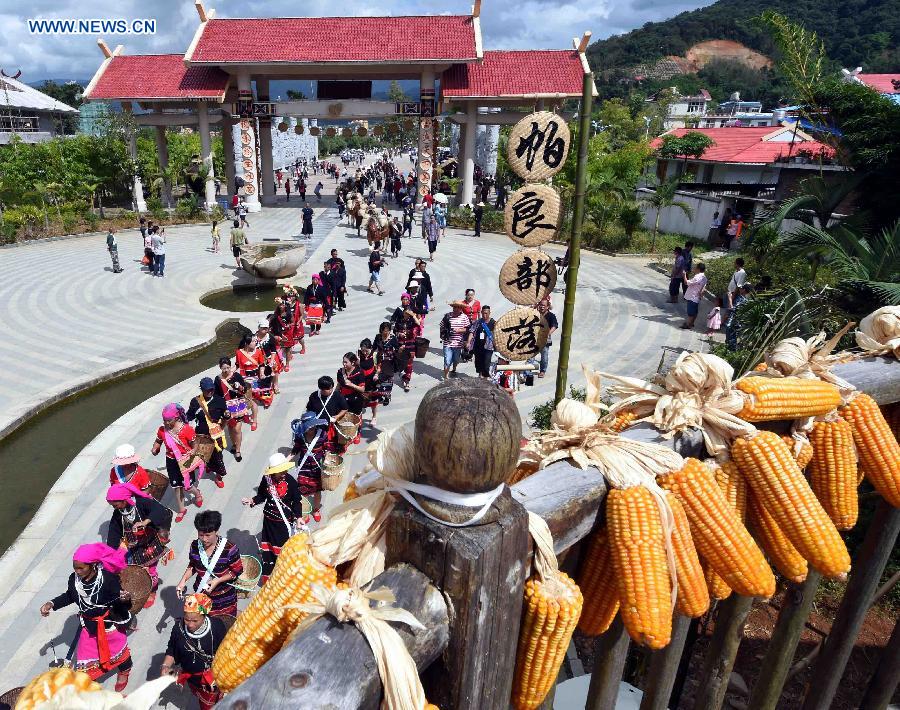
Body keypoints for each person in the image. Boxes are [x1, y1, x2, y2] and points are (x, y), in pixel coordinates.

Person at [40, 544, 133, 690]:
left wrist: (124, 599)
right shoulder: (74, 579)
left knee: (119, 652)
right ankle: (89, 681)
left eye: (80, 568)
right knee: (84, 658)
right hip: (89, 627)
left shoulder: (108, 579)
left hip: (108, 625)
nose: (77, 571)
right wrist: (51, 603)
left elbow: (120, 602)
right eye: (75, 567)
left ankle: (125, 670)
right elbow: (70, 595)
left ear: (93, 565)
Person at [242, 453, 307, 583]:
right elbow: (261, 495)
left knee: (283, 550)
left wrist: (299, 517)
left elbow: (297, 501)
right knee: (269, 549)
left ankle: (284, 573)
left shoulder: (290, 481)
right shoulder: (266, 480)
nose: (283, 473)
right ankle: (270, 575)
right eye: (280, 471)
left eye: (284, 470)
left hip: (283, 524)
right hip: (269, 522)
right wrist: (252, 501)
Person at [105, 482, 172, 608]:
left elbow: (159, 510)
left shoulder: (141, 502)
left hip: (150, 543)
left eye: (115, 504)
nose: (115, 508)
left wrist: (145, 522)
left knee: (150, 570)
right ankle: (144, 585)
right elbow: (113, 533)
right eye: (112, 506)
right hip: (135, 547)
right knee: (137, 570)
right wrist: (109, 554)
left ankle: (152, 590)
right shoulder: (118, 513)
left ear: (124, 500)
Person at [160, 593, 227, 710]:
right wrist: (166, 665)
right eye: (187, 619)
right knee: (196, 693)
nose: (190, 624)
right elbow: (172, 649)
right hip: (190, 676)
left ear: (204, 616)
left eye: (195, 620)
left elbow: (226, 651)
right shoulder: (178, 629)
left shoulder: (216, 627)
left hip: (211, 679)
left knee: (209, 705)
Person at [174, 511, 242, 618]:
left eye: (208, 535)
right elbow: (193, 565)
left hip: (224, 595)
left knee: (225, 620)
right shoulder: (195, 545)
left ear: (216, 531)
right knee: (205, 617)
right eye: (201, 535)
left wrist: (218, 580)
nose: (204, 539)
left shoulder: (230, 548)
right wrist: (183, 581)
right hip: (202, 592)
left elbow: (237, 571)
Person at [151, 403, 202, 523]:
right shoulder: (162, 430)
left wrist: (193, 451)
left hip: (185, 460)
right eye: (164, 420)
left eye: (169, 420)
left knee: (187, 486)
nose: (166, 423)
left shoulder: (187, 430)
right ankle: (181, 509)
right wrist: (155, 449)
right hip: (171, 461)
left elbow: (195, 444)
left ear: (177, 418)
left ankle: (197, 493)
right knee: (176, 486)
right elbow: (158, 441)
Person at [185, 377, 230, 489]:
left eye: (211, 389)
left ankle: (219, 476)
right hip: (201, 435)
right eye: (207, 390)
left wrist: (227, 416)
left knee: (218, 456)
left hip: (216, 435)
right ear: (202, 389)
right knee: (204, 455)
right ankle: (209, 465)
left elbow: (225, 414)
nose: (210, 392)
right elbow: (189, 416)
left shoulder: (220, 400)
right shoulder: (195, 401)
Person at [214, 356, 255, 459]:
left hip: (239, 406)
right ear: (220, 368)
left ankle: (238, 450)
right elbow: (217, 395)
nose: (226, 370)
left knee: (237, 429)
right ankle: (234, 444)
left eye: (228, 367)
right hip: (227, 408)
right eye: (224, 368)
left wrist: (240, 386)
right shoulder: (218, 379)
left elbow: (245, 390)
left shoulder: (236, 376)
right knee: (231, 427)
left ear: (230, 366)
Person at [290, 411, 328, 522]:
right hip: (304, 468)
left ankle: (316, 509)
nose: (311, 429)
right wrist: (285, 460)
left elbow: (327, 448)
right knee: (303, 492)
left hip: (317, 468)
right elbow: (295, 450)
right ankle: (305, 511)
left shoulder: (322, 434)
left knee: (317, 491)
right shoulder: (300, 436)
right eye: (309, 427)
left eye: (313, 426)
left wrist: (328, 458)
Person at [306, 375, 350, 448]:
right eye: (328, 389)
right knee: (319, 445)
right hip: (318, 426)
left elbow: (345, 408)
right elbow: (309, 409)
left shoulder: (337, 395)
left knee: (334, 443)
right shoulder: (314, 396)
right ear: (321, 389)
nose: (331, 390)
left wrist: (337, 416)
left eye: (331, 388)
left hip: (332, 426)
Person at [372, 322, 399, 419]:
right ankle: (380, 394)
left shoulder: (393, 338)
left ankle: (387, 396)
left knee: (388, 380)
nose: (386, 332)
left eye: (387, 330)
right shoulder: (378, 337)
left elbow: (397, 348)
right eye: (384, 330)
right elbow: (374, 347)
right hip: (380, 362)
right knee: (378, 379)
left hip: (390, 362)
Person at [337, 352, 368, 434]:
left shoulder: (359, 372)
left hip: (356, 400)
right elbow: (339, 385)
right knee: (345, 417)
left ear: (353, 362)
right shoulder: (340, 372)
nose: (344, 364)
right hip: (343, 399)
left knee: (356, 417)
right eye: (343, 361)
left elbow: (362, 389)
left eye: (346, 362)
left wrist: (351, 385)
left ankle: (357, 432)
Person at [440, 301, 472, 380]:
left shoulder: (464, 317)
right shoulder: (447, 316)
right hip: (448, 342)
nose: (456, 309)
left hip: (458, 343)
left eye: (458, 307)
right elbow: (441, 326)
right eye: (454, 307)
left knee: (456, 359)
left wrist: (459, 330)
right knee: (447, 360)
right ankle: (446, 377)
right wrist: (443, 334)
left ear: (461, 308)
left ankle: (454, 369)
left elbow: (468, 329)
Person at [467, 305, 496, 378]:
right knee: (478, 362)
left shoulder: (494, 323)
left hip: (488, 347)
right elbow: (471, 331)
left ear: (489, 313)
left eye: (486, 313)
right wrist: (468, 342)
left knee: (486, 363)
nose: (484, 315)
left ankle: (485, 376)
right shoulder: (478, 322)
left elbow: (497, 334)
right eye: (483, 313)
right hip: (478, 346)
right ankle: (480, 375)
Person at [535, 299, 558, 379]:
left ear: (547, 307)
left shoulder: (551, 316)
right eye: (540, 305)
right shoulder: (535, 314)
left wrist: (547, 334)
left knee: (544, 356)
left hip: (545, 339)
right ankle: (527, 371)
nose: (541, 307)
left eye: (543, 305)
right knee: (530, 355)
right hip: (534, 338)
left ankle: (542, 371)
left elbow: (554, 326)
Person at [681, 263, 707, 330]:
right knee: (695, 311)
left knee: (690, 312)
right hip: (697, 297)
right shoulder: (704, 278)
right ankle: (691, 323)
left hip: (692, 296)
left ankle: (688, 325)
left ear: (698, 269)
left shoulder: (697, 277)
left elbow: (686, 282)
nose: (694, 269)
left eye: (695, 267)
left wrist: (684, 275)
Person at [725, 284, 752, 350]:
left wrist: (730, 298)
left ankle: (731, 349)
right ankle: (729, 348)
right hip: (736, 321)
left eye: (741, 288)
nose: (740, 289)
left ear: (744, 290)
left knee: (731, 334)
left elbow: (732, 308)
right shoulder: (745, 300)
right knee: (732, 335)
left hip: (734, 321)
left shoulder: (742, 300)